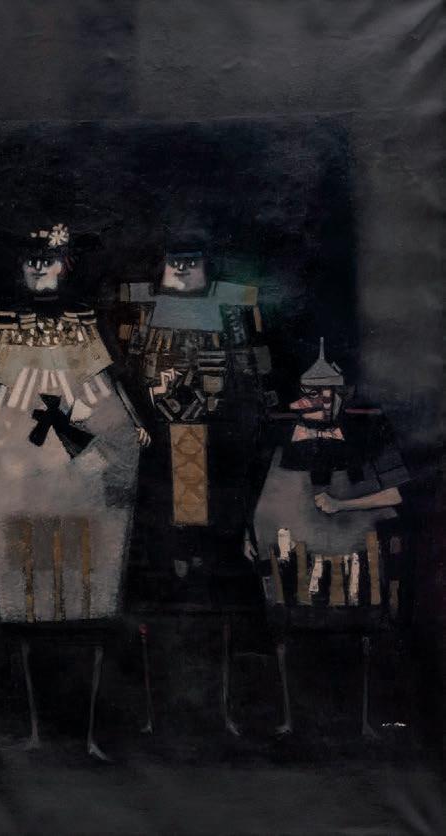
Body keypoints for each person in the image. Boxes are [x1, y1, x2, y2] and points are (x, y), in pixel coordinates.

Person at [0, 220, 148, 756]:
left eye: (48, 259)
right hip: (20, 475)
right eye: (30, 260)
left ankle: (88, 732)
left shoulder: (83, 323)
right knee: (27, 607)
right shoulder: (5, 324)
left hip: (81, 487)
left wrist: (132, 423)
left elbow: (109, 387)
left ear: (66, 265)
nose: (39, 268)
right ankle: (35, 730)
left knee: (89, 600)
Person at [250, 339, 411, 736]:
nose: (319, 400)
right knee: (288, 634)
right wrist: (250, 532)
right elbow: (264, 496)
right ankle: (291, 720)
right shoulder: (282, 436)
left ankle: (362, 721)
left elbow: (394, 494)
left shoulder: (369, 431)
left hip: (354, 567)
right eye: (311, 392)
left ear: (344, 392)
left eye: (327, 391)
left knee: (358, 638)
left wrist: (342, 506)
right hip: (293, 567)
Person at [117, 237, 272, 591]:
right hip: (157, 429)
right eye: (175, 261)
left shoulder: (231, 307)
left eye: (191, 261)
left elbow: (251, 368)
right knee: (162, 503)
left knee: (213, 502)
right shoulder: (144, 308)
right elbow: (128, 369)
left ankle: (207, 567)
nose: (182, 269)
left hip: (216, 429)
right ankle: (170, 570)